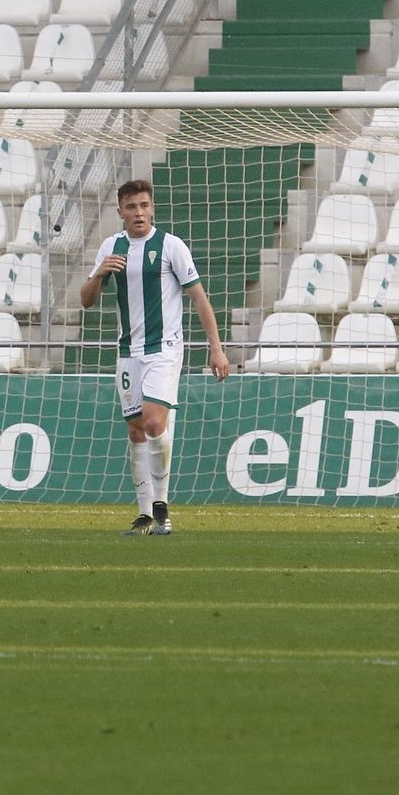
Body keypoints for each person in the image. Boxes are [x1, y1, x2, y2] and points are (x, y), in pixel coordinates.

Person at [80, 178, 230, 537]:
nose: (139, 213)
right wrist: (100, 273)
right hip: (128, 352)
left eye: (145, 205)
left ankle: (161, 504)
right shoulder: (110, 247)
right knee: (135, 431)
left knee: (152, 423)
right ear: (120, 212)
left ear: (153, 208)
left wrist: (216, 347)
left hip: (164, 350)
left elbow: (199, 299)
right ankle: (145, 513)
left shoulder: (170, 246)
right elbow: (85, 300)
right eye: (131, 207)